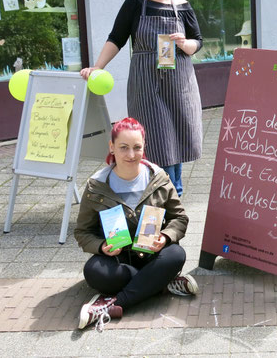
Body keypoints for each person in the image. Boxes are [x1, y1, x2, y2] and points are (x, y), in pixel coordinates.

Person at [80, 0, 203, 197]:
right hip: (146, 83)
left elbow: (197, 42)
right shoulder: (135, 4)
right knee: (158, 139)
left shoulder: (183, 6)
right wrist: (98, 67)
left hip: (179, 83)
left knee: (176, 137)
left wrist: (184, 44)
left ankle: (170, 195)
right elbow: (116, 38)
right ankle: (166, 192)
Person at [74, 117, 198, 331]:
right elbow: (83, 232)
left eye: (137, 147)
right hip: (119, 263)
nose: (131, 155)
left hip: (152, 256)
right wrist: (101, 246)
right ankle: (161, 282)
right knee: (93, 271)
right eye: (123, 148)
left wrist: (166, 237)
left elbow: (180, 219)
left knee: (176, 255)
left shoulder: (158, 178)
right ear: (112, 147)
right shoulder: (96, 186)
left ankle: (112, 305)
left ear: (144, 147)